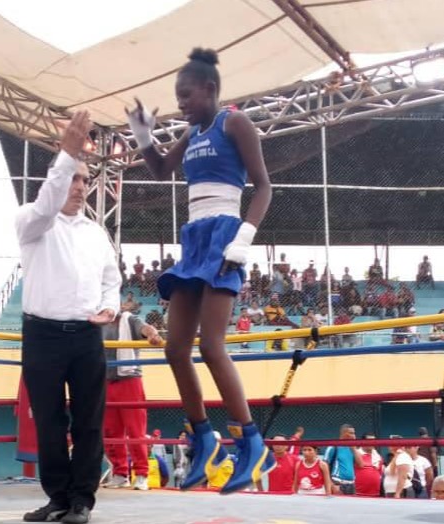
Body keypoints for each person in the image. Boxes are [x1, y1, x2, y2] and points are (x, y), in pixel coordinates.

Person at [126, 48, 274, 494]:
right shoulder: (193, 132)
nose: (181, 103)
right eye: (177, 96)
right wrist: (142, 135)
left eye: (186, 95)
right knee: (174, 348)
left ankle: (252, 442)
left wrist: (244, 239)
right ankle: (206, 439)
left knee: (211, 345)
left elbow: (265, 184)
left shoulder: (235, 122)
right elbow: (159, 170)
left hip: (227, 233)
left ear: (209, 90)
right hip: (194, 238)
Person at [15, 111, 121, 524]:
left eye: (82, 179)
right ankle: (58, 497)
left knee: (90, 421)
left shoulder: (96, 234)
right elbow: (46, 204)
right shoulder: (32, 221)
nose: (79, 187)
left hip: (85, 336)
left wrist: (109, 307)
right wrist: (67, 154)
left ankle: (81, 501)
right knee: (49, 421)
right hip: (41, 335)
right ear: (57, 178)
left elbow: (112, 279)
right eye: (72, 178)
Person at [102, 312, 164, 491]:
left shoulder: (128, 319)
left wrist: (152, 334)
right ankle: (120, 474)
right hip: (104, 379)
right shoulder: (95, 321)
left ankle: (142, 474)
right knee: (110, 431)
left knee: (135, 429)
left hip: (129, 379)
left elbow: (145, 328)